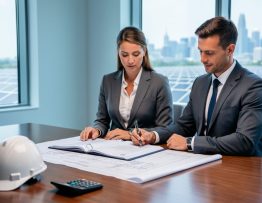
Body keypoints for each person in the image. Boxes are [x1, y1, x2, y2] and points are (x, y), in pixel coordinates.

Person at [166, 16, 262, 155]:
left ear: (230, 50)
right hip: (200, 165)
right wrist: (153, 135)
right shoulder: (200, 83)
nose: (202, 59)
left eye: (209, 53)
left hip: (237, 169)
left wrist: (190, 143)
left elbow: (244, 140)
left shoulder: (253, 86)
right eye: (200, 51)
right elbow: (184, 127)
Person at [80, 26, 173, 144]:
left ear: (144, 51)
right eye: (124, 54)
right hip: (112, 148)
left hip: (143, 150)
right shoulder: (108, 81)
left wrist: (129, 134)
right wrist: (96, 130)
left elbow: (165, 129)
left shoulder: (159, 82)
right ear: (118, 53)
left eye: (135, 54)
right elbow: (102, 120)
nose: (130, 60)